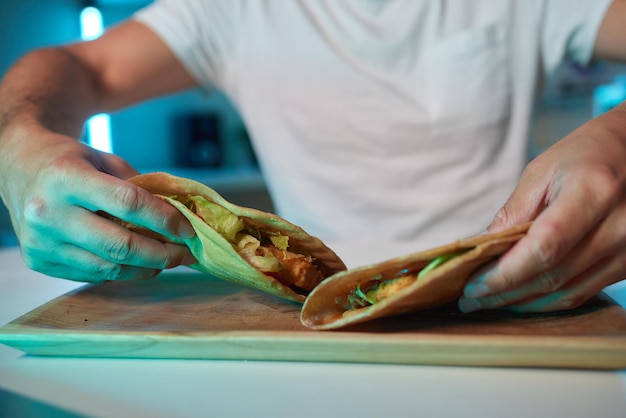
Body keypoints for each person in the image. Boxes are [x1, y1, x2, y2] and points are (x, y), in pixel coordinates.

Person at [0, 0, 625, 314]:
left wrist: (618, 136)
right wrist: (18, 141)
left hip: (509, 305)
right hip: (302, 320)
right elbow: (81, 65)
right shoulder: (230, 12)